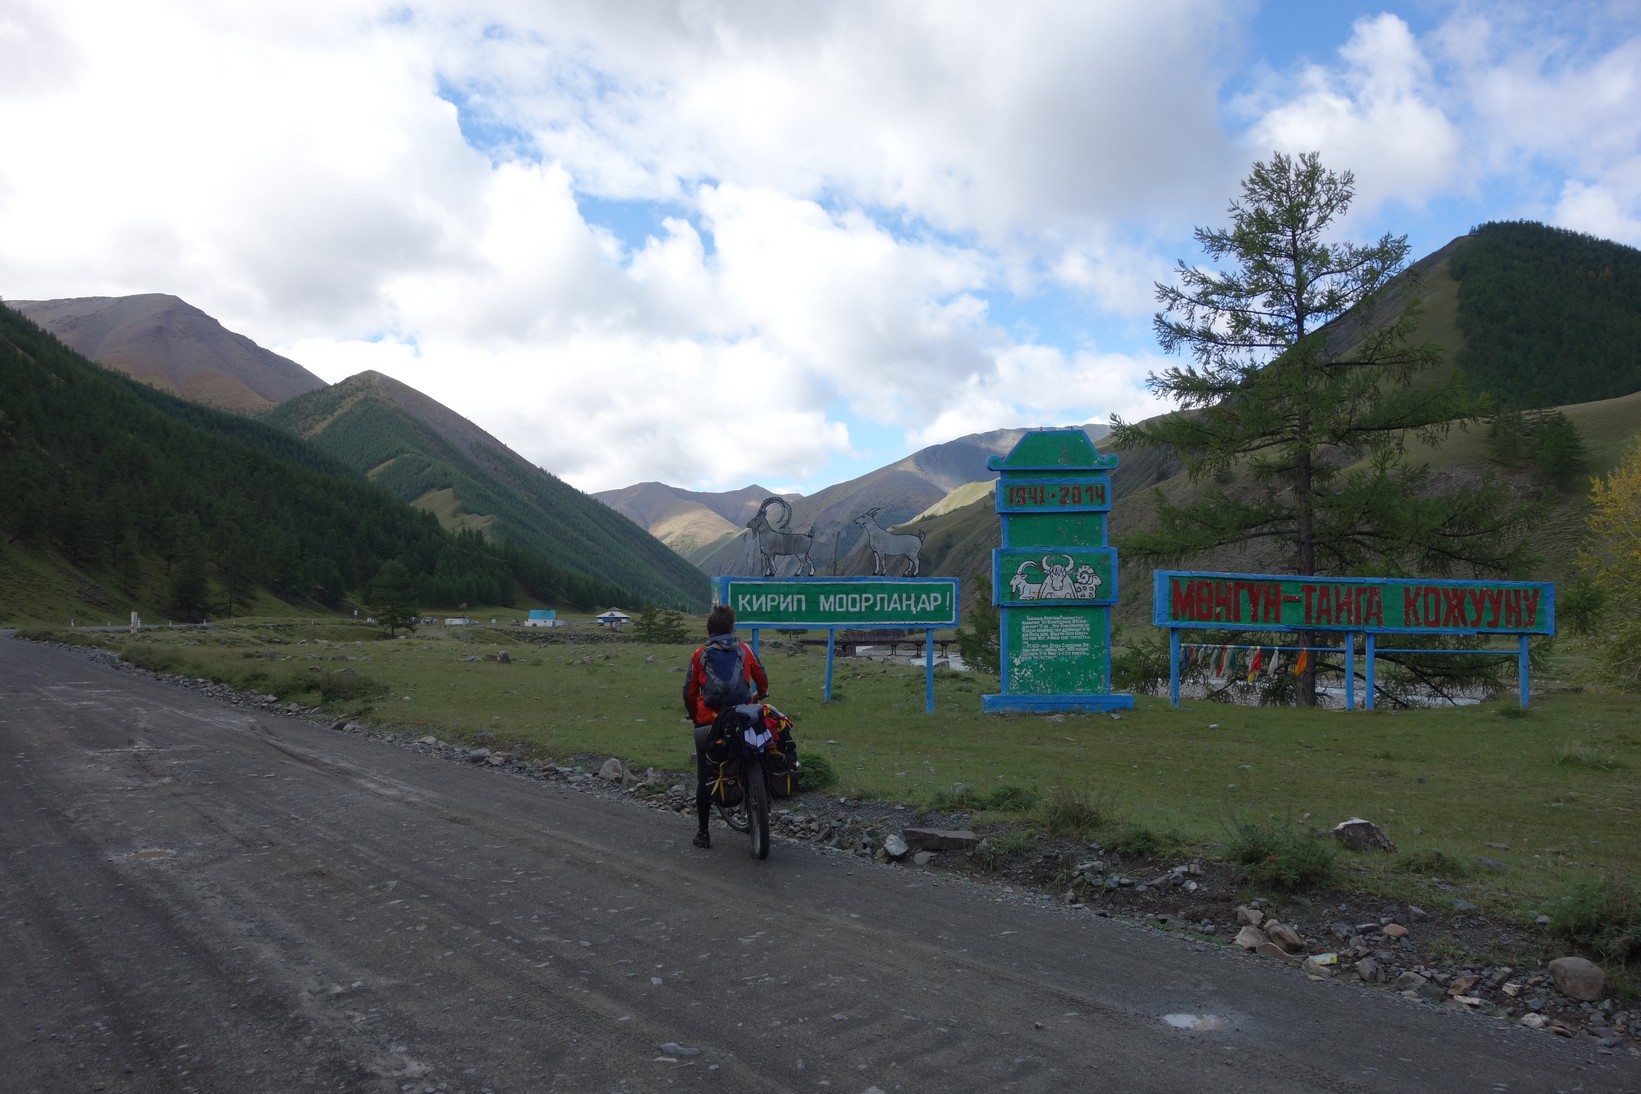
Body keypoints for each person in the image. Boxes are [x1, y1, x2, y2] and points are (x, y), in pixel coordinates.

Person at [682, 604, 769, 849]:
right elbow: (761, 678)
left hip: (709, 722)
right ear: (731, 628)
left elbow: (689, 692)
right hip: (742, 717)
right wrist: (761, 692)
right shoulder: (745, 650)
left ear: (710, 630)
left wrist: (694, 714)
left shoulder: (699, 654)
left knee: (704, 774)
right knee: (756, 751)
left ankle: (703, 833)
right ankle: (759, 797)